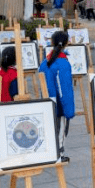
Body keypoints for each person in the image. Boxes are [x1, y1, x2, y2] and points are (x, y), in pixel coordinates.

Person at [39, 31, 75, 160]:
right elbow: (65, 89)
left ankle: (49, 152)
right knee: (60, 130)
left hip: (46, 102)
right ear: (66, 44)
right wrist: (69, 110)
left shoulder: (45, 62)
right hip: (60, 104)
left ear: (52, 42)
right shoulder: (63, 63)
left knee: (50, 128)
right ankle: (59, 153)